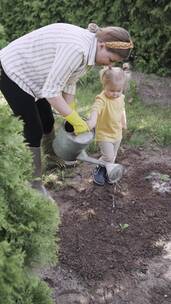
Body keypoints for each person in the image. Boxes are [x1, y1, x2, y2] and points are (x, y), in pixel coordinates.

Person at [0, 22, 133, 198]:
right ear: (102, 45)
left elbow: (69, 80)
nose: (108, 65)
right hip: (12, 71)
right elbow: (51, 92)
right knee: (33, 129)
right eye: (110, 60)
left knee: (47, 120)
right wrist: (75, 119)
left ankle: (52, 156)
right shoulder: (77, 49)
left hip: (36, 76)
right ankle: (34, 184)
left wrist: (70, 113)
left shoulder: (90, 49)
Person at [87, 66, 128, 186]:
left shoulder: (121, 97)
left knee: (113, 156)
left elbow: (122, 109)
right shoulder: (102, 99)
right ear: (104, 86)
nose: (115, 94)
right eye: (112, 90)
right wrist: (92, 120)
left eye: (118, 91)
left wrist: (123, 121)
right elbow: (95, 108)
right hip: (104, 134)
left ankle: (107, 171)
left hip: (117, 133)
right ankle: (99, 169)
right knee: (108, 157)